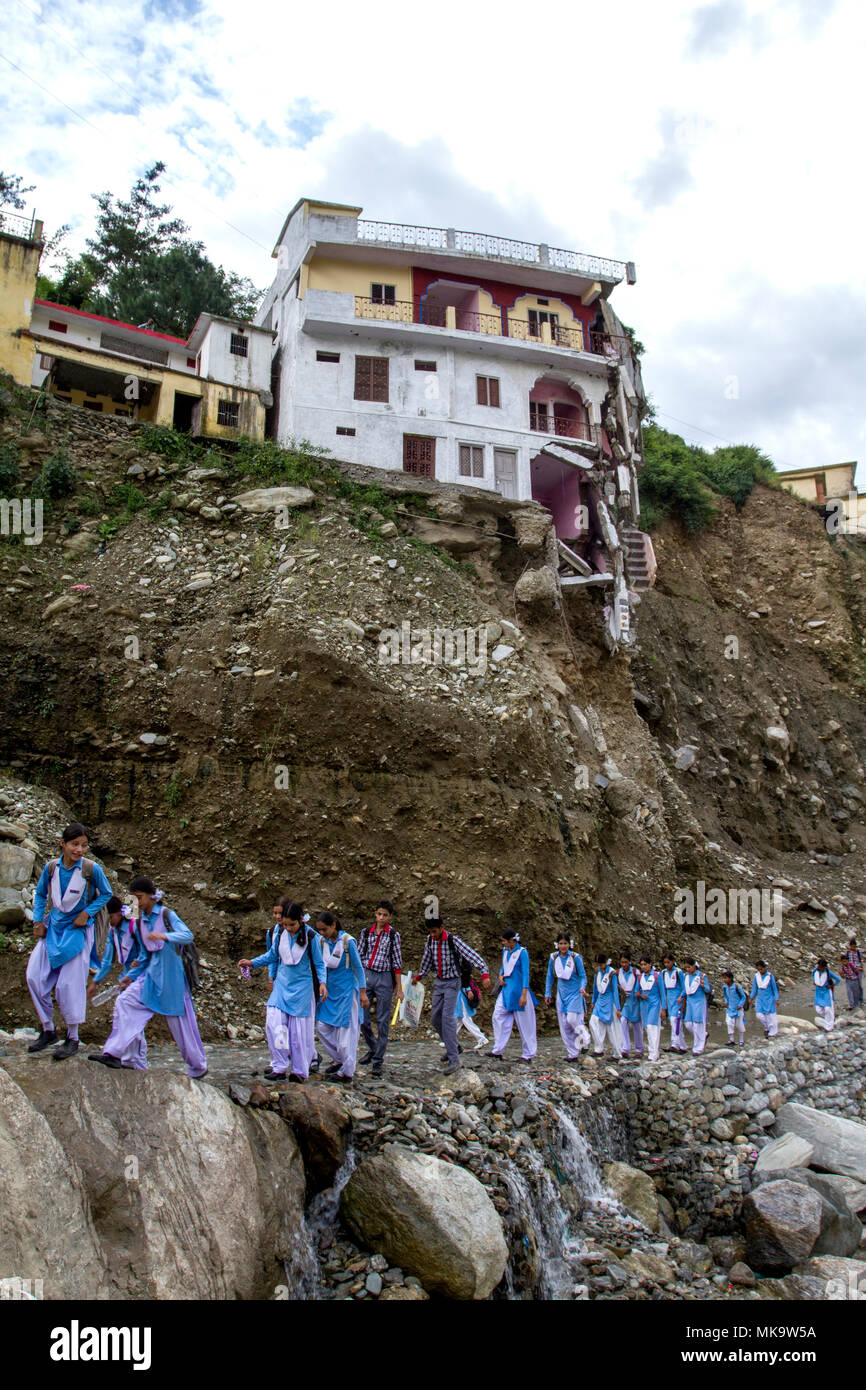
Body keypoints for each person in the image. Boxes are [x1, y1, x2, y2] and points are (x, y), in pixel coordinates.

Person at [89, 877, 207, 1078]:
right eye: (133, 898)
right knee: (125, 1002)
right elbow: (144, 956)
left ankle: (198, 1067)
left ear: (151, 895)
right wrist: (130, 976)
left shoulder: (166, 914)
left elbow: (187, 935)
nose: (137, 902)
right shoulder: (139, 923)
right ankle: (118, 1055)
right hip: (151, 977)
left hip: (172, 980)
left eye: (140, 897)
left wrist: (165, 936)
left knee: (183, 1029)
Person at [26, 822, 113, 1061]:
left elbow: (106, 893)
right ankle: (48, 1030)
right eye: (75, 844)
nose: (80, 850)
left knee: (68, 985)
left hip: (77, 932)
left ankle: (72, 1037)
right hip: (54, 929)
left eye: (84, 845)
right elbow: (42, 894)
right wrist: (37, 922)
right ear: (62, 844)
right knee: (34, 976)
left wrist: (87, 913)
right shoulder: (51, 868)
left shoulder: (90, 869)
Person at [238, 902, 326, 1081]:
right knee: (275, 1024)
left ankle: (300, 1070)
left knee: (298, 1032)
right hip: (282, 986)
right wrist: (252, 962)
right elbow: (272, 955)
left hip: (302, 989)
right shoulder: (280, 934)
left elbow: (318, 963)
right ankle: (279, 1064)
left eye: (291, 925)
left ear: (300, 921)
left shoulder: (312, 937)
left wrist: (323, 983)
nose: (288, 928)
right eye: (285, 925)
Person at [414, 918, 491, 1073]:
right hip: (439, 982)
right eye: (430, 932)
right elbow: (427, 959)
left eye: (435, 931)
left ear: (442, 927)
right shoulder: (430, 940)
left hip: (453, 982)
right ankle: (454, 1046)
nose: (433, 934)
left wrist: (484, 973)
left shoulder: (453, 940)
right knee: (435, 1017)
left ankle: (454, 1058)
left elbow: (471, 955)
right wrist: (420, 975)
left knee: (447, 1018)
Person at [86, 897, 145, 1069]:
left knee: (128, 1013)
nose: (109, 921)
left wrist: (136, 967)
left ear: (119, 913)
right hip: (126, 978)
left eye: (110, 917)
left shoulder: (134, 928)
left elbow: (147, 952)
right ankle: (129, 1059)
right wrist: (95, 982)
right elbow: (107, 961)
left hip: (140, 978)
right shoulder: (113, 931)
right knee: (123, 1016)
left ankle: (122, 1056)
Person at [315, 911, 367, 1083]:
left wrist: (363, 992)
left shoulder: (347, 942)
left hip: (346, 994)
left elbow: (358, 968)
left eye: (324, 929)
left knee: (346, 1037)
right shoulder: (323, 942)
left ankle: (347, 1072)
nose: (322, 933)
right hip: (330, 993)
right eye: (319, 930)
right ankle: (341, 1060)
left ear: (333, 925)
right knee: (322, 1027)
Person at [359, 901, 403, 1078]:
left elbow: (397, 962)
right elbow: (359, 955)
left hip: (385, 977)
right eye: (379, 914)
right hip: (367, 974)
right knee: (362, 1017)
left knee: (383, 1019)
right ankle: (373, 1047)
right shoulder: (366, 933)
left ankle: (378, 1060)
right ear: (375, 915)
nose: (381, 918)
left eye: (385, 915)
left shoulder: (393, 935)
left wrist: (399, 988)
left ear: (390, 917)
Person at [488, 929, 536, 1063]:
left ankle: (528, 1054)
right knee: (498, 1016)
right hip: (506, 990)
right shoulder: (505, 951)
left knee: (525, 1024)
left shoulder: (522, 953)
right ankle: (498, 1049)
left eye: (504, 941)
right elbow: (503, 966)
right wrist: (500, 975)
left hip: (519, 990)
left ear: (511, 940)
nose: (502, 943)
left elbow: (526, 974)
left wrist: (524, 994)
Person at [544, 933, 588, 1062]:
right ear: (557, 945)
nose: (563, 946)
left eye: (565, 943)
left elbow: (583, 975)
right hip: (561, 994)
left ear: (570, 944)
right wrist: (548, 993)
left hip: (575, 993)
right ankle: (572, 1053)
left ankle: (585, 1038)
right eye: (561, 944)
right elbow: (549, 976)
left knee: (572, 1019)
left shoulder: (575, 957)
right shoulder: (554, 957)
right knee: (564, 1024)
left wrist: (582, 987)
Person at [589, 954, 622, 1058]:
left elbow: (615, 991)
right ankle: (598, 1048)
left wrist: (618, 1007)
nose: (600, 966)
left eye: (601, 964)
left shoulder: (612, 973)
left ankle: (617, 1053)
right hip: (599, 1000)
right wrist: (593, 1002)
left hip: (609, 1001)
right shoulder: (597, 973)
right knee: (593, 1022)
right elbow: (595, 989)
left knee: (612, 1029)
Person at [680, 958, 711, 1055]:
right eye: (686, 968)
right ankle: (703, 1037)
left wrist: (703, 985)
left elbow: (708, 990)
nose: (688, 969)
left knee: (698, 1024)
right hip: (690, 1003)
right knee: (688, 1024)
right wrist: (681, 996)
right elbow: (685, 989)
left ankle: (698, 1048)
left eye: (689, 967)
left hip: (699, 1002)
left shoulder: (701, 976)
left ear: (694, 966)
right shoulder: (686, 976)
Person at [635, 956, 663, 1062]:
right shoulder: (640, 977)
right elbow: (636, 991)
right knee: (647, 1027)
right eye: (641, 965)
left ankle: (653, 1053)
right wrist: (640, 994)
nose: (643, 967)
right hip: (644, 1005)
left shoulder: (657, 976)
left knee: (652, 1027)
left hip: (654, 1004)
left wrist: (663, 1008)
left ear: (650, 964)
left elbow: (662, 992)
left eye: (645, 964)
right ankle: (653, 1050)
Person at [659, 954, 687, 1053]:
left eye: (668, 962)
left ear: (672, 961)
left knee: (675, 1020)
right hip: (669, 1000)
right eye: (665, 963)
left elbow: (684, 987)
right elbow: (663, 989)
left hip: (677, 999)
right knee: (674, 1022)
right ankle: (682, 1046)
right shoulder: (663, 973)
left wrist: (681, 996)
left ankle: (675, 1044)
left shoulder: (678, 972)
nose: (667, 965)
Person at [618, 953, 643, 1058]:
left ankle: (639, 1048)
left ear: (629, 962)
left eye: (626, 962)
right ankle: (625, 1047)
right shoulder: (618, 973)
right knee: (623, 1021)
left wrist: (638, 992)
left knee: (636, 1025)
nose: (624, 964)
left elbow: (640, 983)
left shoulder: (635, 972)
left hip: (634, 1001)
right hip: (625, 1002)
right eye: (622, 962)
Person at [454, 980, 489, 1051]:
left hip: (461, 995)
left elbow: (464, 977)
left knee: (465, 1019)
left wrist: (468, 989)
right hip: (459, 994)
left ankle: (481, 1038)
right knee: (459, 1019)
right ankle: (449, 1039)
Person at [749, 960, 779, 1037]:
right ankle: (767, 1027)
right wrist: (751, 998)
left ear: (764, 968)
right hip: (760, 999)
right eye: (758, 970)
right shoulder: (757, 976)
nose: (760, 971)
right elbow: (754, 988)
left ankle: (772, 1032)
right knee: (759, 1015)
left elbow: (774, 989)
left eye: (761, 969)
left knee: (770, 1016)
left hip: (769, 999)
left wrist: (776, 999)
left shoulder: (770, 976)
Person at [812, 957, 841, 1031]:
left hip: (826, 992)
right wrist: (814, 981)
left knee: (828, 1009)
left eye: (821, 967)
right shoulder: (815, 971)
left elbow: (838, 979)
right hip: (818, 992)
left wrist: (831, 985)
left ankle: (829, 1027)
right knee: (818, 1009)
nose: (820, 968)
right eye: (819, 966)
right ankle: (831, 1019)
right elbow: (813, 976)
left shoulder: (828, 972)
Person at [722, 970, 747, 1048]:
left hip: (737, 1009)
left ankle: (741, 1041)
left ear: (730, 978)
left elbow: (743, 997)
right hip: (730, 1008)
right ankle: (731, 1040)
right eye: (724, 978)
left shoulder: (736, 987)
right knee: (729, 1023)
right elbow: (725, 996)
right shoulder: (725, 987)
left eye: (726, 978)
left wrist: (740, 1005)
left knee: (739, 1024)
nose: (724, 980)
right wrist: (726, 1002)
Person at [844, 938, 863, 1008]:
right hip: (851, 970)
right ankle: (853, 1002)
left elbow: (861, 961)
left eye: (854, 946)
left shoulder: (858, 952)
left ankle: (860, 1000)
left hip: (858, 970)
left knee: (859, 985)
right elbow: (845, 962)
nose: (853, 948)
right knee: (851, 987)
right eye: (852, 946)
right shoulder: (847, 953)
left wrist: (862, 969)